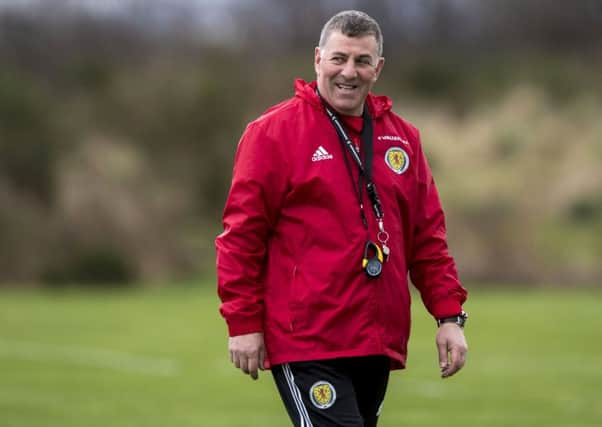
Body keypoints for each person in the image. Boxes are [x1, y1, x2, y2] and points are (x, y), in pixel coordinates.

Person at [216, 10, 468, 427]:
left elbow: (427, 238)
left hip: (377, 339)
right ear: (318, 59)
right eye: (338, 58)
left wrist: (448, 317)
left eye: (362, 60)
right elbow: (241, 238)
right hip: (308, 339)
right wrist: (242, 322)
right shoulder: (272, 133)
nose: (348, 72)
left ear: (378, 68)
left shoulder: (402, 137)